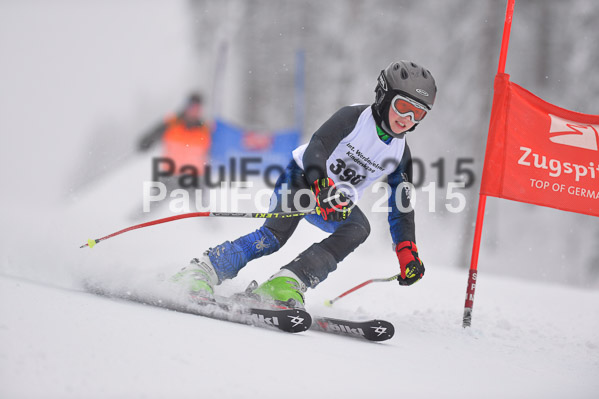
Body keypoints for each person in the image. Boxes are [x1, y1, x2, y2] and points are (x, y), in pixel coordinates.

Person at [172, 61, 437, 308]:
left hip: (336, 203)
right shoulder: (353, 118)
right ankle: (203, 269)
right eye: (403, 107)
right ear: (384, 96)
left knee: (358, 228)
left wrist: (406, 249)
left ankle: (286, 282)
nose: (408, 119)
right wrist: (322, 188)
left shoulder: (400, 152)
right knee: (273, 237)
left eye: (418, 114)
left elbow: (401, 204)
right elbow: (316, 149)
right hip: (301, 179)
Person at [137, 93, 212, 212]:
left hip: (195, 178)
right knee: (149, 207)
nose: (194, 111)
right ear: (186, 106)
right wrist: (145, 143)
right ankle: (130, 225)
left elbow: (217, 149)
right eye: (192, 107)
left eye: (197, 108)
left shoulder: (205, 129)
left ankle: (217, 230)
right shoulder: (172, 123)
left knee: (203, 211)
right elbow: (152, 135)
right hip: (169, 175)